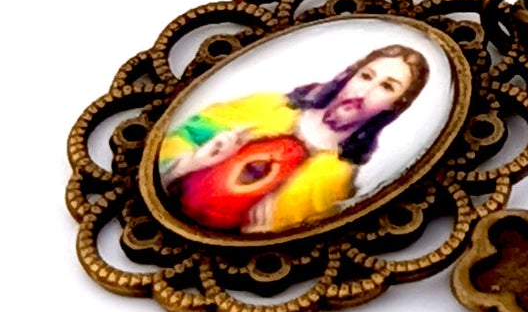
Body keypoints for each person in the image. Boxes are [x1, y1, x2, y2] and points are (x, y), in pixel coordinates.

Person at [157, 43, 430, 233]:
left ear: (394, 106)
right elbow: (179, 137)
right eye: (366, 76)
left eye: (386, 87)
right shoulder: (266, 107)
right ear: (349, 76)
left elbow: (314, 235)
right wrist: (190, 162)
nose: (364, 91)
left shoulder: (338, 180)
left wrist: (260, 239)